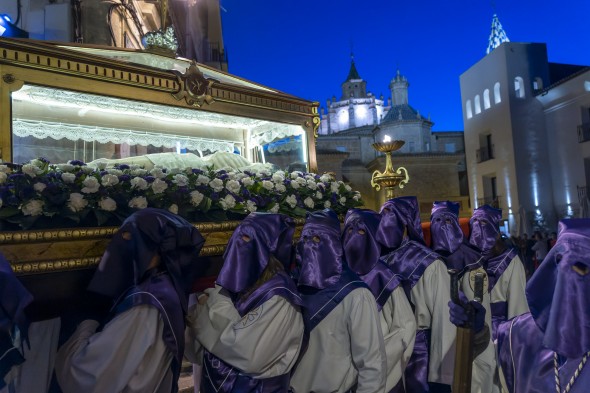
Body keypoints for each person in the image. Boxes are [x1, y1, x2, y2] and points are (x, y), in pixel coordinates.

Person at [55, 208, 205, 393]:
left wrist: (86, 323)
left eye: (128, 236)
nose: (120, 242)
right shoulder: (164, 286)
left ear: (151, 247)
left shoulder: (144, 304)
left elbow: (91, 376)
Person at [185, 212, 305, 392]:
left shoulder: (280, 296)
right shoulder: (240, 280)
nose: (239, 243)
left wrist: (209, 306)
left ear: (267, 248)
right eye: (238, 235)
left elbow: (247, 353)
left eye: (248, 237)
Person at [290, 209, 386, 393]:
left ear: (334, 244)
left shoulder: (356, 294)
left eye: (318, 239)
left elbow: (372, 364)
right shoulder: (292, 285)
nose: (309, 245)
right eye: (305, 239)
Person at [496, 219, 590, 393]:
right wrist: (478, 334)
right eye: (564, 262)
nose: (572, 276)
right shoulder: (517, 334)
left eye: (584, 269)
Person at [376, 196, 456, 392]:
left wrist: (443, 374)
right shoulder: (376, 261)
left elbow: (443, 319)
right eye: (383, 214)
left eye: (392, 214)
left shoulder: (429, 263)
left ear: (405, 222)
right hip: (384, 354)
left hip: (420, 357)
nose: (386, 220)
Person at [342, 208, 416, 392]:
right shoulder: (336, 274)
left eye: (361, 231)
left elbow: (405, 328)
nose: (354, 237)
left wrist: (374, 364)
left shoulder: (383, 276)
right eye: (349, 230)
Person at [430, 201, 496, 393]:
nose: (443, 226)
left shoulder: (472, 264)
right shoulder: (431, 260)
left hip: (469, 350)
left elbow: (478, 314)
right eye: (437, 220)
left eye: (448, 221)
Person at [468, 205, 528, 341]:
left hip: (499, 333)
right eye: (475, 222)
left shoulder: (510, 260)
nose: (478, 226)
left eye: (483, 222)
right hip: (471, 330)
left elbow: (518, 304)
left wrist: (516, 339)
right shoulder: (467, 259)